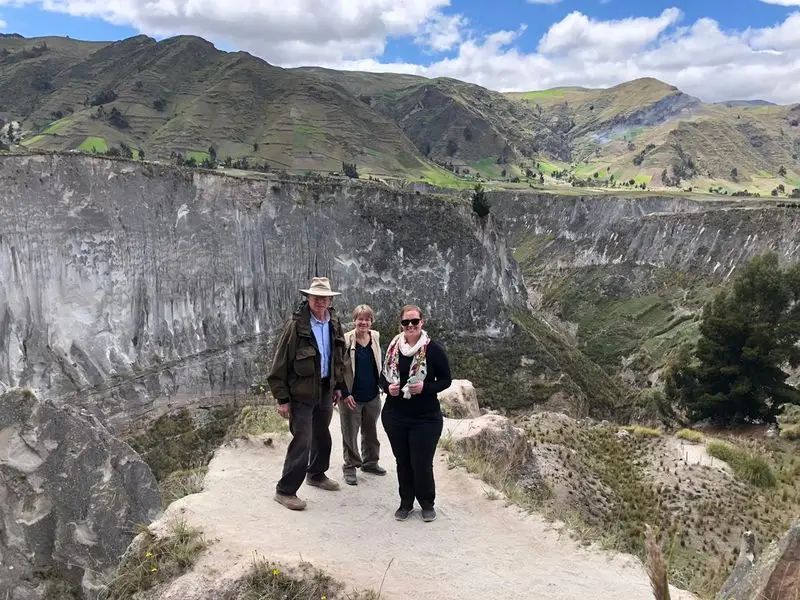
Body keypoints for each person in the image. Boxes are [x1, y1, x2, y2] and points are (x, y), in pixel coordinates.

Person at [267, 276, 355, 511]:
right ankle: (285, 490)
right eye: (316, 298)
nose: (321, 302)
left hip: (325, 388)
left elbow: (338, 357)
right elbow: (279, 363)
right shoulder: (296, 326)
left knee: (322, 434)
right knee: (302, 440)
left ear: (330, 300)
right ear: (308, 298)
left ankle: (316, 474)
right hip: (301, 393)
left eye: (325, 298)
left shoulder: (333, 322)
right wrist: (283, 399)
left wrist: (337, 385)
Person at [380, 304, 452, 522]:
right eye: (406, 322)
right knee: (403, 460)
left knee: (421, 462)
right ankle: (406, 503)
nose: (410, 325)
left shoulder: (433, 350)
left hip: (425, 418)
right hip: (395, 415)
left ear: (422, 322)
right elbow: (383, 377)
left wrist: (425, 388)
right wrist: (387, 387)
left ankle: (427, 503)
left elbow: (446, 380)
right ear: (400, 324)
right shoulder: (393, 348)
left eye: (414, 321)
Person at [340, 304, 386, 486]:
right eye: (360, 319)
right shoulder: (346, 340)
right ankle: (350, 466)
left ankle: (370, 462)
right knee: (350, 433)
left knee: (371, 431)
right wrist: (344, 393)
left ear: (371, 322)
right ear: (354, 320)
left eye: (367, 319)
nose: (364, 322)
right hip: (352, 396)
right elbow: (339, 369)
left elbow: (379, 363)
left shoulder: (375, 337)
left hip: (372, 394)